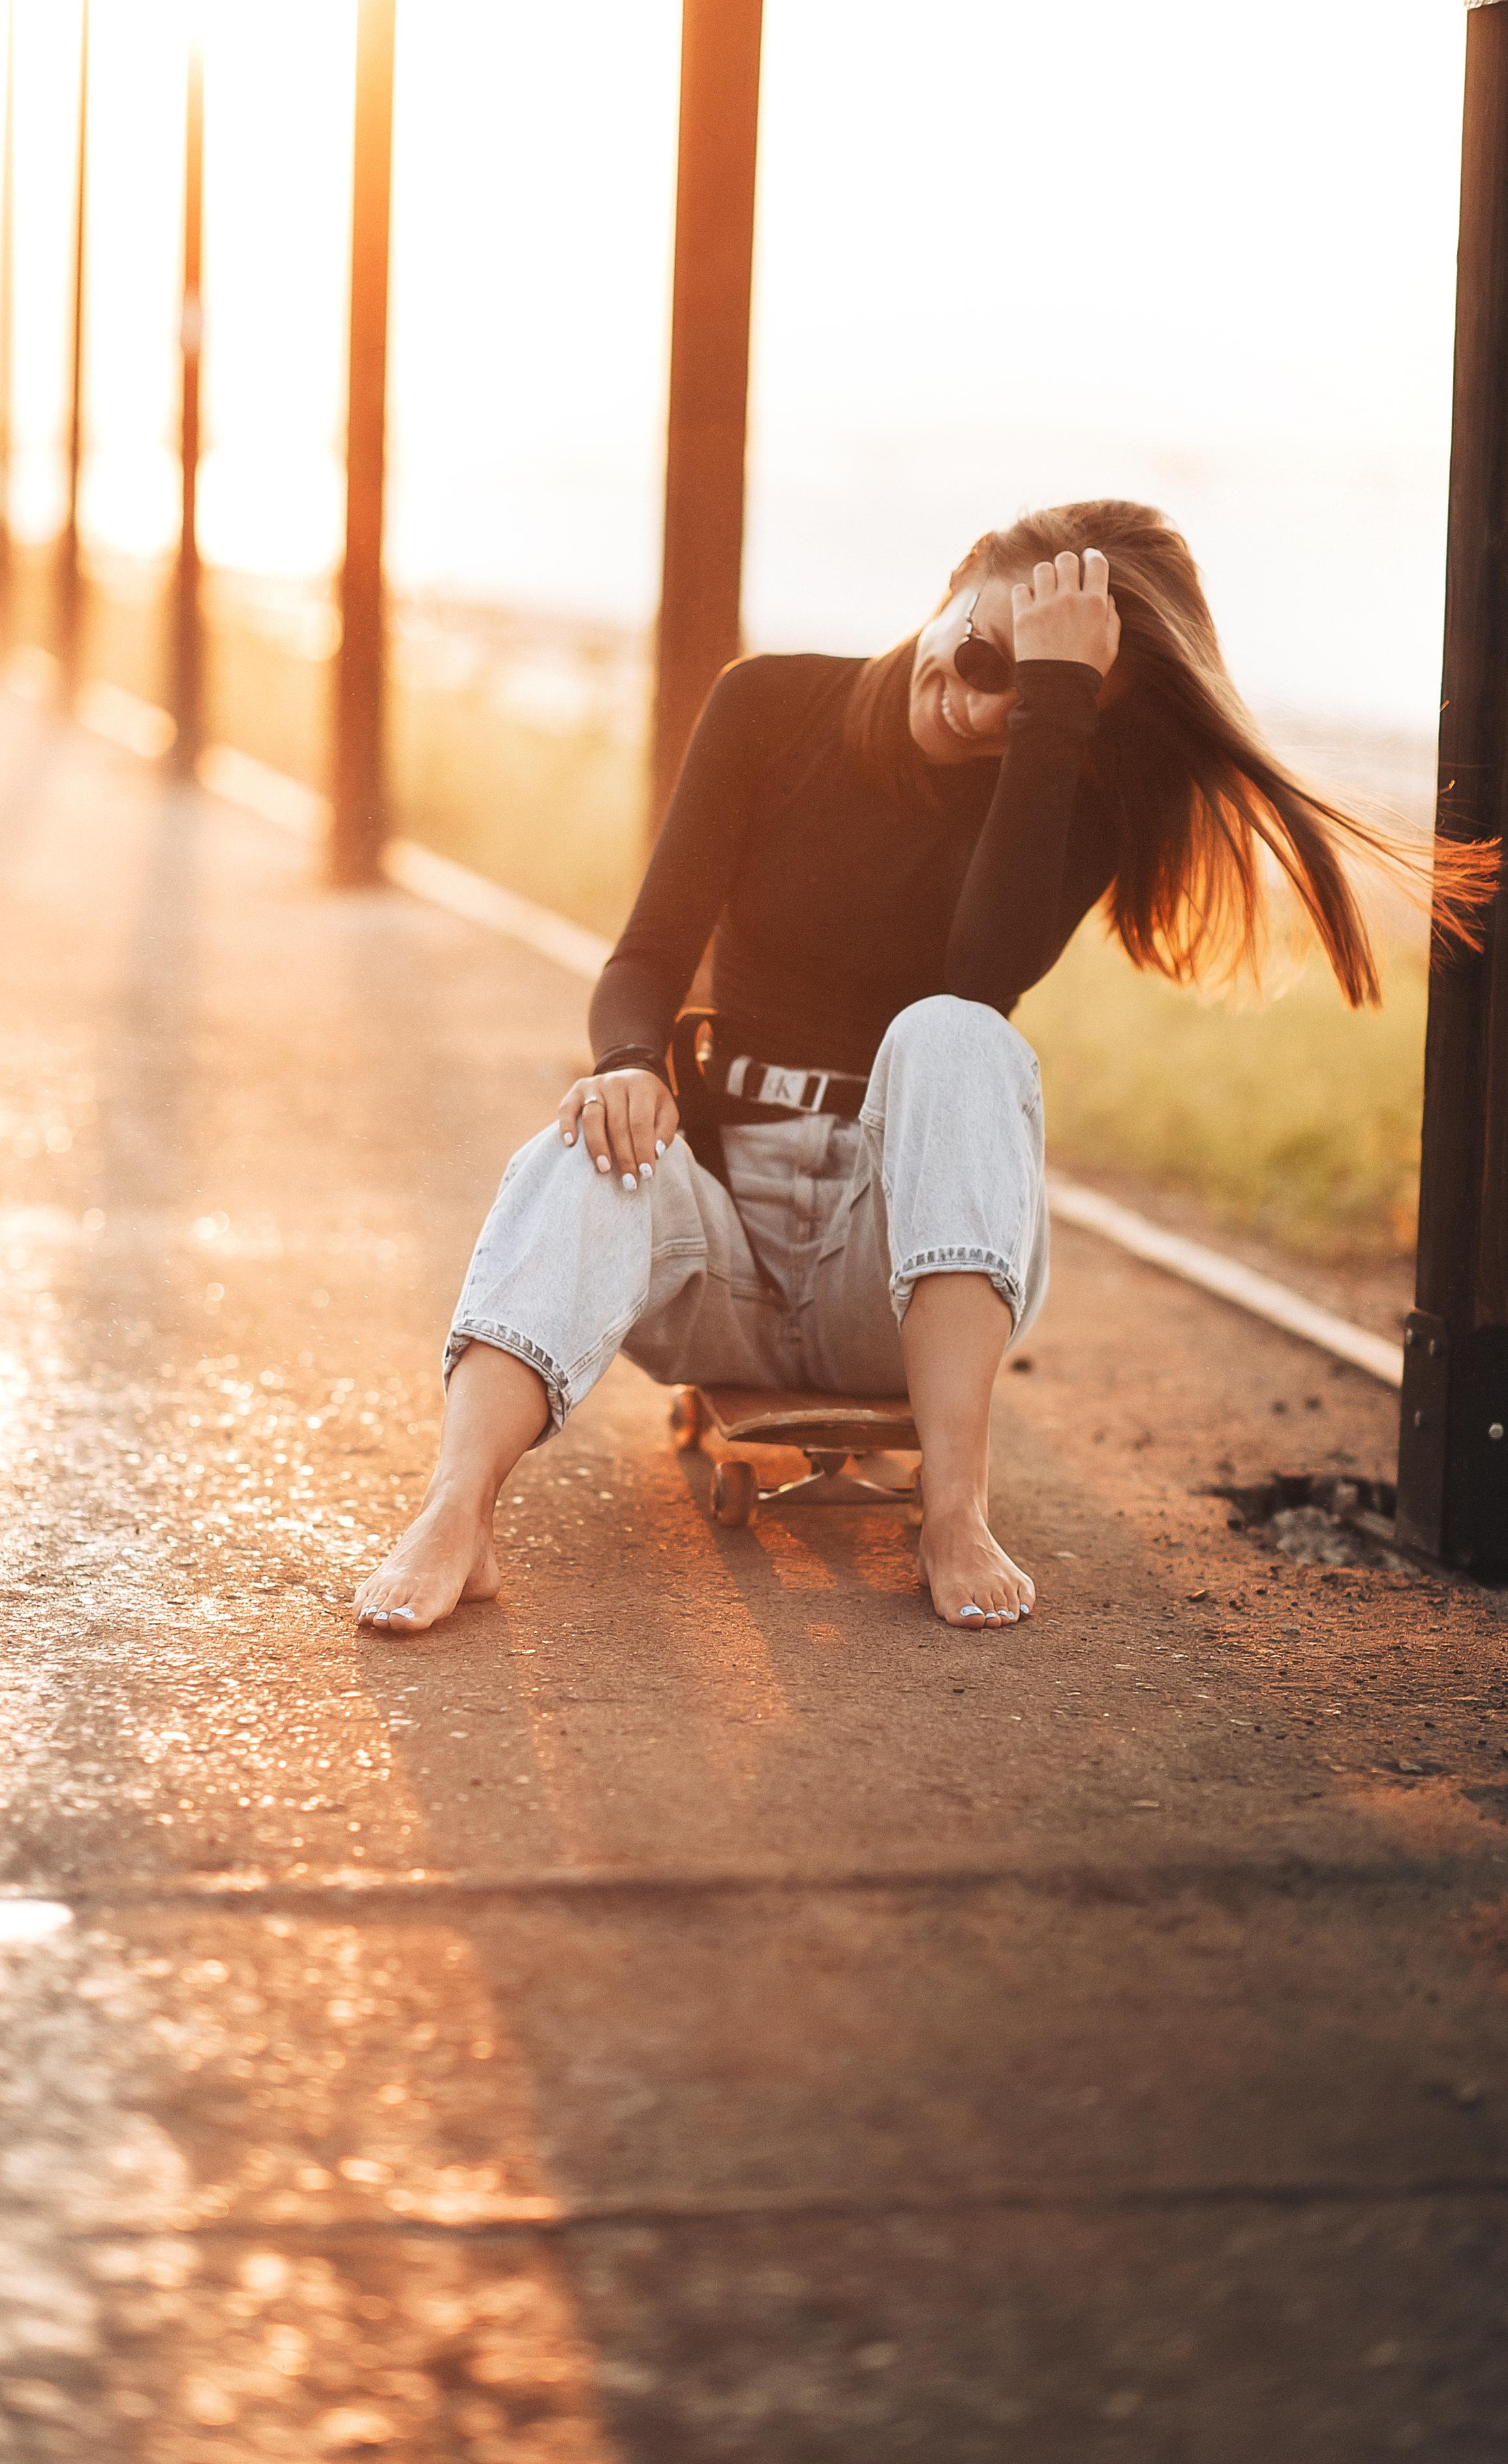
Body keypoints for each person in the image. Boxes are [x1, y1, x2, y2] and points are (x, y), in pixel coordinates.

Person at [353, 499, 1492, 1637]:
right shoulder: (767, 706)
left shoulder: (1061, 806)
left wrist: (1053, 715)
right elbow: (648, 956)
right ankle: (458, 1512)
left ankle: (956, 1514)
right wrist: (630, 1062)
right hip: (719, 1261)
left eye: (1036, 694)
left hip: (894, 1270)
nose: (984, 705)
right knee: (586, 1131)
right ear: (956, 578)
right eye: (988, 651)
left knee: (954, 1033)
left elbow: (977, 977)